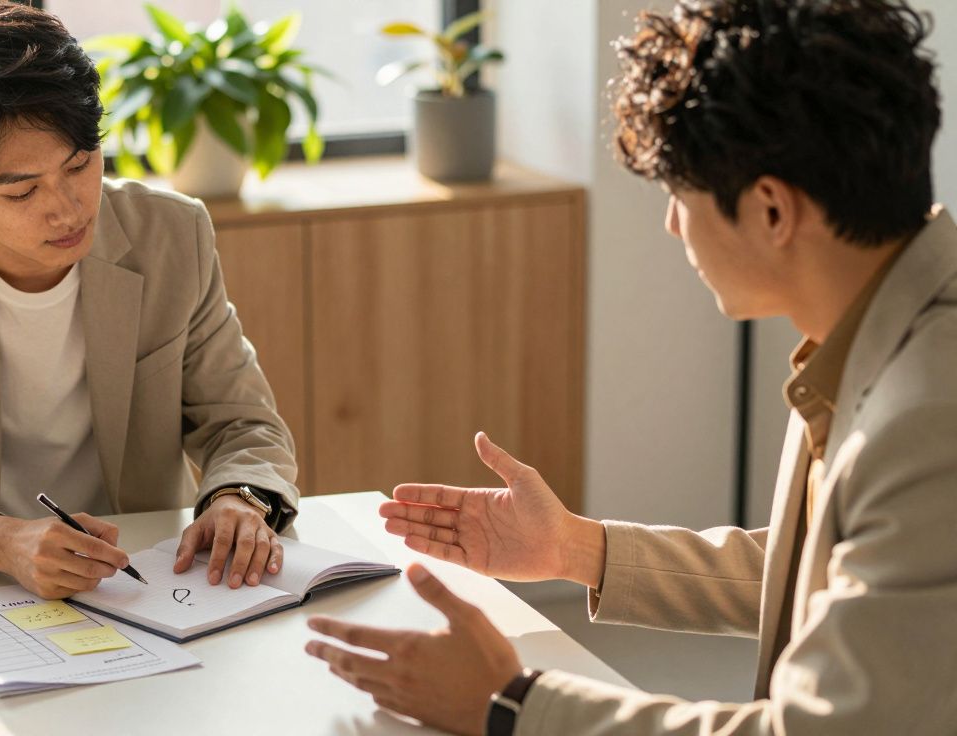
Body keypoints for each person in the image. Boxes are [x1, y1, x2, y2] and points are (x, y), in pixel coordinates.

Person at [305, 0, 957, 733]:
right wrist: (572, 547)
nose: (672, 223)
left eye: (680, 195)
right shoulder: (884, 335)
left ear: (772, 211)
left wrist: (516, 704)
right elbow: (828, 568)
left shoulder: (927, 418)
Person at [0, 0, 299, 599]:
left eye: (80, 164)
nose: (68, 208)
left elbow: (241, 422)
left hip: (144, 581)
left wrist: (238, 498)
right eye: (22, 192)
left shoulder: (172, 236)